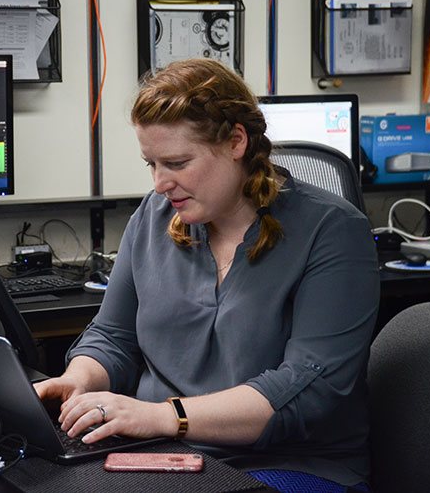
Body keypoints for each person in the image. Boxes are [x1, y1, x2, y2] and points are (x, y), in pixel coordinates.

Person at [35, 58, 379, 492]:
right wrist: (75, 382)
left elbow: (307, 391)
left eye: (177, 163)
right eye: (151, 164)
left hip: (289, 464)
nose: (160, 183)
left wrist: (161, 415)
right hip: (159, 454)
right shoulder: (154, 216)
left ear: (237, 141)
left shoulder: (331, 230)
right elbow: (113, 337)